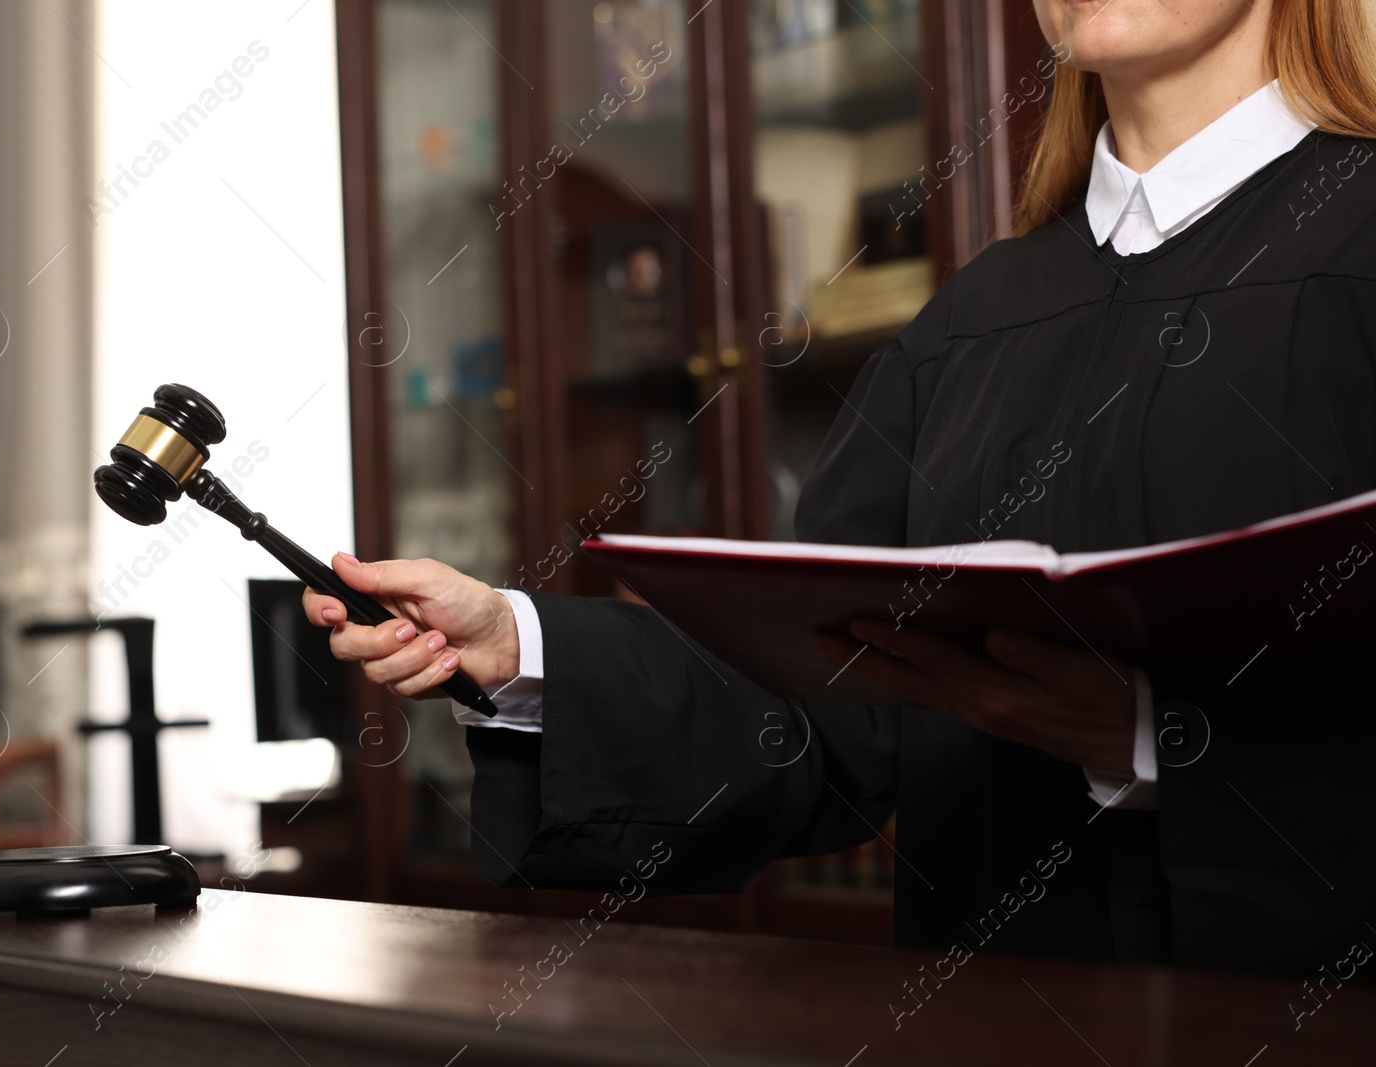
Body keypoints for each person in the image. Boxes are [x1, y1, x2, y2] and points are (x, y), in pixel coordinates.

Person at [306, 0, 1376, 970]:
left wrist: (1150, 737)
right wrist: (519, 644)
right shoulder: (968, 325)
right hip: (989, 1015)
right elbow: (827, 705)